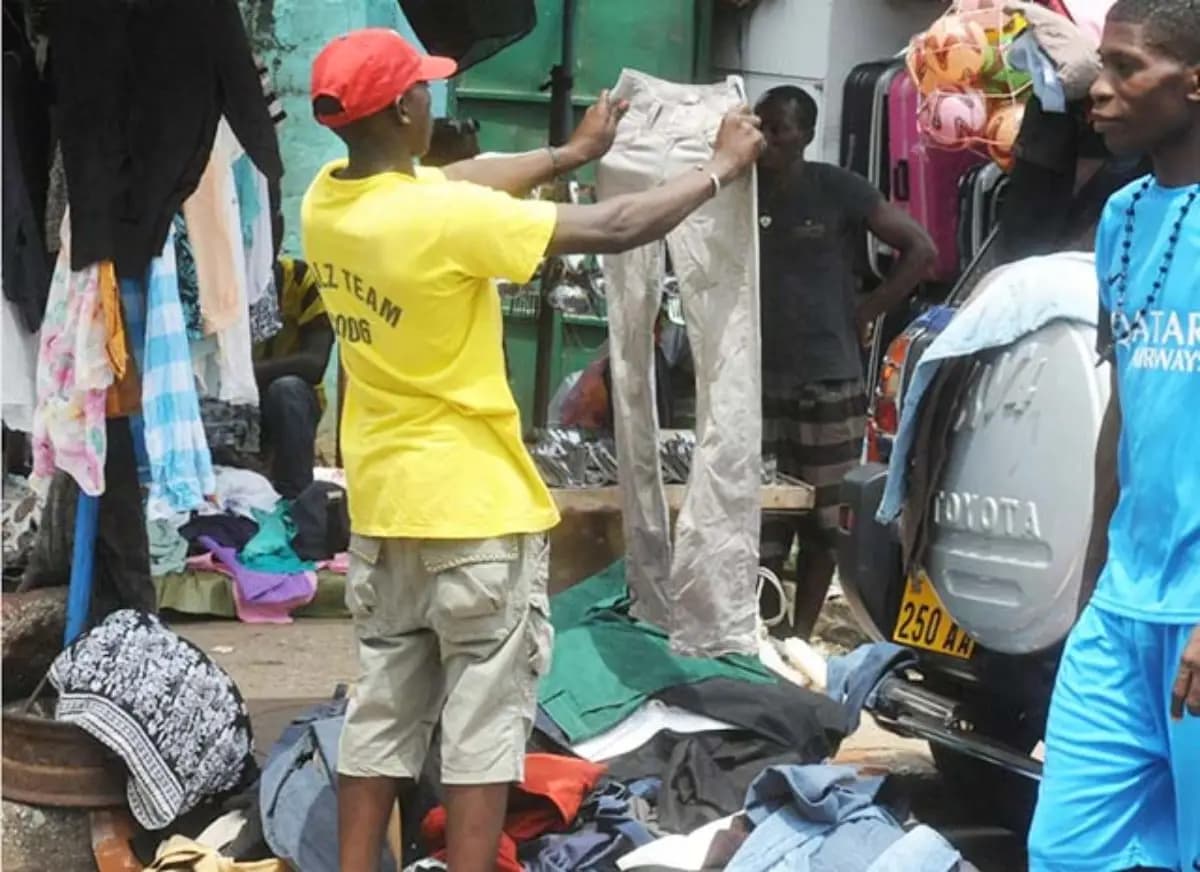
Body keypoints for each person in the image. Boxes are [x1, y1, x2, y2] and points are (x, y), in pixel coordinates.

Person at [299, 29, 764, 872]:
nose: (432, 101)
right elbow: (620, 224)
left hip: (385, 514)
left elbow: (454, 181)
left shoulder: (328, 202)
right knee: (481, 734)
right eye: (424, 89)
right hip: (475, 518)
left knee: (380, 721)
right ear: (406, 107)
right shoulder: (446, 222)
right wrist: (720, 168)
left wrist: (569, 152)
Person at [1028, 1, 1200, 869]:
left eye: (1128, 67)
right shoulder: (1124, 218)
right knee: (1068, 851)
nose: (1099, 88)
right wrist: (1092, 581)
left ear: (1195, 81)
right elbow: (1127, 405)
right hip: (1124, 606)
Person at [754, 85, 936, 638]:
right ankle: (758, 635)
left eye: (778, 129)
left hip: (828, 382)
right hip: (756, 383)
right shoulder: (739, 190)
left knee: (825, 522)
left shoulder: (836, 189)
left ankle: (800, 636)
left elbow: (922, 250)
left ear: (805, 134)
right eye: (759, 127)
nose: (766, 140)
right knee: (759, 520)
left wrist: (868, 310)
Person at [251, 255, 334, 499]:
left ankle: (296, 503)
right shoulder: (213, 278)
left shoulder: (301, 279)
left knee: (287, 390)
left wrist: (246, 375)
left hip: (287, 402)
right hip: (232, 403)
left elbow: (315, 363)